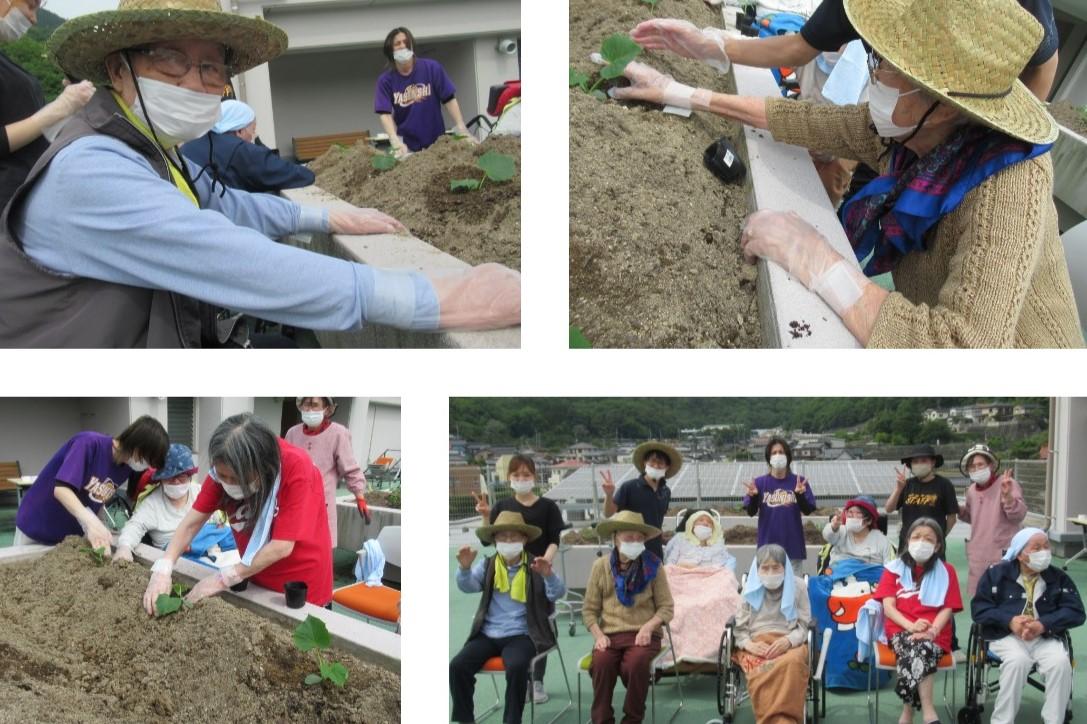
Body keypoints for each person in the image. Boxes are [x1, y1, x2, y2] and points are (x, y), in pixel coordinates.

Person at [0, 0, 520, 347]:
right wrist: (433, 296)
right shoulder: (92, 169)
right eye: (171, 60)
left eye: (211, 68)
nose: (197, 83)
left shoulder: (156, 147)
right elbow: (223, 254)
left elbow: (226, 205)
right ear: (118, 69)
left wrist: (325, 216)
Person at [611, 0, 1082, 348]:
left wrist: (819, 263)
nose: (872, 77)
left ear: (945, 104)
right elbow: (795, 117)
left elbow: (963, 349)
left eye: (887, 69)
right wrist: (678, 91)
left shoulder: (1009, 184)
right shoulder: (905, 132)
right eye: (874, 59)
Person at [141, 413, 333, 613]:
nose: (228, 483)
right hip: (253, 574)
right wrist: (164, 567)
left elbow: (282, 546)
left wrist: (222, 579)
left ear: (262, 466)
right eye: (222, 476)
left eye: (236, 478)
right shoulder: (223, 469)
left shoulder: (296, 467)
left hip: (299, 586)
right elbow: (191, 523)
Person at [449, 511, 565, 724]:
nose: (509, 541)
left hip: (523, 634)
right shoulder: (489, 565)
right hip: (487, 634)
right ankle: (465, 719)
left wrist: (548, 575)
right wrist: (464, 569)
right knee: (457, 666)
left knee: (517, 666)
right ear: (494, 541)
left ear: (524, 539)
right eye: (503, 537)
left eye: (514, 536)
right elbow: (469, 586)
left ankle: (512, 721)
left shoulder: (536, 565)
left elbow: (556, 593)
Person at [473, 453, 565, 705]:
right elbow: (486, 539)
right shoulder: (502, 506)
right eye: (516, 475)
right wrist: (484, 515)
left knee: (539, 624)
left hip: (538, 575)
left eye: (526, 474)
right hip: (507, 575)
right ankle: (521, 681)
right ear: (509, 478)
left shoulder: (548, 507)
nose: (521, 479)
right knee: (514, 627)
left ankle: (537, 680)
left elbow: (555, 539)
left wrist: (544, 563)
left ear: (534, 477)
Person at [971, 527, 1084, 724]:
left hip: (1044, 636)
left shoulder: (1058, 577)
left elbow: (1076, 612)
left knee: (1060, 663)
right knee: (1017, 661)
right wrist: (1009, 620)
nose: (1044, 552)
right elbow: (979, 609)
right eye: (1037, 547)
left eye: (1046, 546)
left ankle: (1054, 720)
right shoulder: (996, 575)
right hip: (1005, 636)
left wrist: (1043, 624)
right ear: (1020, 554)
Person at [13, 415, 168, 551]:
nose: (146, 465)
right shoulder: (88, 444)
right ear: (138, 444)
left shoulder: (125, 468)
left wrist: (102, 525)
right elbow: (61, 490)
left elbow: (97, 497)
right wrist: (91, 521)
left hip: (67, 535)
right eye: (148, 459)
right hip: (37, 524)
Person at [1, 0, 95, 211]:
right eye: (30, 5)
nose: (34, 20)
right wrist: (58, 109)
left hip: (24, 199)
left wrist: (67, 109)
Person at [582, 511, 674, 724]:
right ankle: (602, 719)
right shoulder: (600, 567)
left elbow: (667, 608)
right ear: (615, 538)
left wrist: (649, 627)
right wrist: (598, 636)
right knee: (602, 663)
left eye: (639, 537)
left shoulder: (654, 566)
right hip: (610, 636)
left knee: (634, 664)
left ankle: (633, 719)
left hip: (644, 635)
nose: (634, 541)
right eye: (628, 537)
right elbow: (589, 610)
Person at [872, 517, 963, 724]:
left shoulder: (947, 571)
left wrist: (931, 631)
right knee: (918, 646)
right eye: (916, 537)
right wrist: (911, 626)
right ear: (908, 540)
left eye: (929, 539)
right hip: (900, 628)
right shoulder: (892, 569)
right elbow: (888, 607)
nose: (921, 542)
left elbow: (947, 609)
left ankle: (908, 713)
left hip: (935, 632)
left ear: (938, 545)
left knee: (920, 647)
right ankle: (929, 712)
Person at [732, 544, 813, 724]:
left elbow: (804, 625)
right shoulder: (749, 589)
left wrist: (788, 641)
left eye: (776, 567)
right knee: (762, 669)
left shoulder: (798, 586)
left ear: (785, 567)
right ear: (757, 569)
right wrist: (749, 645)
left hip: (790, 641)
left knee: (791, 663)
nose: (770, 572)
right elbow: (739, 628)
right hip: (756, 642)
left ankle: (786, 720)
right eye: (765, 567)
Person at [374, 26, 476, 156]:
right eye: (397, 43)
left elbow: (449, 98)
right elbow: (385, 114)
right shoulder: (385, 81)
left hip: (437, 142)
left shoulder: (432, 68)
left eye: (406, 42)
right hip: (408, 145)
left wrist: (461, 126)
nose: (403, 45)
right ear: (390, 49)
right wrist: (394, 140)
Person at [284, 397, 370, 546]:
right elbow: (284, 465)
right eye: (306, 405)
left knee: (320, 548)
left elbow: (349, 467)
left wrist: (360, 497)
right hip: (296, 502)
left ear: (327, 409)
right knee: (295, 548)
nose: (310, 410)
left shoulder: (338, 433)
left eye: (315, 405)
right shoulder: (293, 433)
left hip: (322, 504)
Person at [181, 99, 315, 193]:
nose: (253, 135)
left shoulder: (192, 144)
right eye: (252, 129)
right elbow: (300, 176)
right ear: (239, 131)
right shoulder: (239, 150)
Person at [957, 443, 1027, 595]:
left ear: (991, 464)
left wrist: (1008, 497)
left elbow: (1018, 516)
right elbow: (972, 516)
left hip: (1002, 552)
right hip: (978, 554)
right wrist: (956, 508)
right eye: (972, 466)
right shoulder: (971, 491)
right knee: (981, 596)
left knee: (1005, 595)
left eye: (980, 464)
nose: (976, 469)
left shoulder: (1007, 484)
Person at [112, 443, 199, 562]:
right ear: (161, 479)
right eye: (170, 477)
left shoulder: (200, 493)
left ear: (190, 476)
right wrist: (124, 547)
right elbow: (135, 525)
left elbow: (219, 522)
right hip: (175, 559)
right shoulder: (152, 503)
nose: (176, 482)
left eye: (182, 476)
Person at [742, 437, 816, 575]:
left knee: (793, 591)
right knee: (769, 590)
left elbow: (807, 510)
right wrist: (753, 497)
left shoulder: (799, 482)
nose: (777, 455)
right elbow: (751, 512)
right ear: (768, 458)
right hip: (767, 549)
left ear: (787, 456)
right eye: (774, 452)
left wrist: (799, 495)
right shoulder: (759, 483)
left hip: (793, 547)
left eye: (781, 452)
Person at [601, 441, 681, 559]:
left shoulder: (665, 492)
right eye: (652, 462)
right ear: (645, 463)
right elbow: (609, 513)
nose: (656, 466)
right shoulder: (629, 487)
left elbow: (656, 520)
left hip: (655, 551)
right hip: (630, 548)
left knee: (655, 577)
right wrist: (609, 495)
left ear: (667, 467)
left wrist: (662, 538)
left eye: (661, 463)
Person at [885, 445, 957, 550]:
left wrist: (940, 537)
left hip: (932, 543)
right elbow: (889, 508)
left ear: (933, 463)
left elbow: (952, 518)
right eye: (915, 462)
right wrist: (898, 488)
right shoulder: (907, 484)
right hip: (907, 542)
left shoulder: (944, 484)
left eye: (923, 461)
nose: (919, 464)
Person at [822, 495, 893, 566]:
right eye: (850, 512)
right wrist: (834, 526)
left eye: (858, 513)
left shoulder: (882, 541)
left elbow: (890, 567)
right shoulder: (841, 531)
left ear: (869, 520)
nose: (851, 516)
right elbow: (828, 535)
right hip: (840, 574)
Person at [663, 508, 737, 571]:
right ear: (692, 524)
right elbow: (670, 563)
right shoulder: (680, 539)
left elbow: (722, 567)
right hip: (682, 575)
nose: (705, 523)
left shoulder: (717, 544)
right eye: (701, 520)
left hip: (710, 579)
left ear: (713, 528)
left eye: (709, 522)